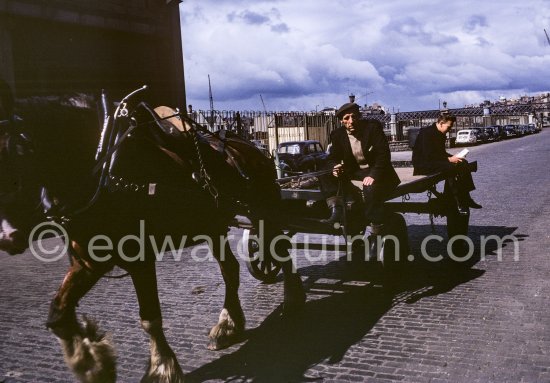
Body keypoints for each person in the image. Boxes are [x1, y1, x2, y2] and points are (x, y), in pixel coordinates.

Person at [320, 102, 400, 238]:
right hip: (356, 173)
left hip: (379, 172)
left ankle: (376, 229)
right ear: (341, 121)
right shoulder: (337, 134)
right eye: (346, 118)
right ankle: (336, 210)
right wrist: (334, 167)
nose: (351, 121)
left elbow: (383, 155)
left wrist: (374, 175)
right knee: (324, 173)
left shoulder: (372, 128)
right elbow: (332, 157)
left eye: (354, 117)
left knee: (369, 188)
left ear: (359, 116)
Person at [412, 112, 481, 214]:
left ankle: (466, 197)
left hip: (433, 161)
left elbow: (440, 153)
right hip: (423, 164)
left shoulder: (440, 133)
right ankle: (458, 201)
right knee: (451, 167)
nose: (449, 131)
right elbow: (428, 155)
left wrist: (454, 157)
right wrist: (449, 159)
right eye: (448, 127)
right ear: (440, 123)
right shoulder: (426, 133)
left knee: (463, 162)